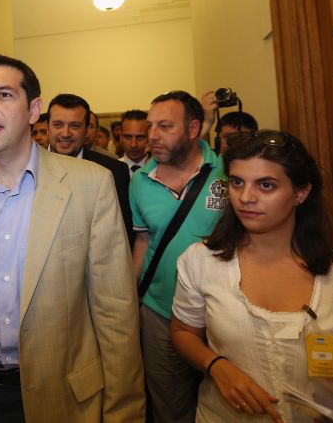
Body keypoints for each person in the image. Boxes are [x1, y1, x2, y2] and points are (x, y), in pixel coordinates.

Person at [0, 53, 145, 423]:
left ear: (35, 110)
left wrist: (124, 412)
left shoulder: (90, 185)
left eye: (3, 95)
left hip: (63, 396)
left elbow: (114, 314)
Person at [170, 130, 333, 422]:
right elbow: (184, 332)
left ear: (300, 193)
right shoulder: (201, 261)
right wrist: (216, 366)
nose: (245, 198)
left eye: (266, 185)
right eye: (237, 182)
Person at [130, 90, 228, 423]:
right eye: (150, 126)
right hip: (160, 311)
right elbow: (142, 243)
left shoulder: (227, 172)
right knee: (169, 404)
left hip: (221, 310)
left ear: (193, 129)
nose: (152, 135)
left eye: (165, 126)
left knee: (225, 399)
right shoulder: (140, 182)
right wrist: (131, 300)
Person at [46, 93, 133, 247]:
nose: (65, 133)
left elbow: (121, 236)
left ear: (87, 130)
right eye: (58, 125)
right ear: (48, 127)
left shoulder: (114, 171)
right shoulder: (27, 169)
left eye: (75, 126)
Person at [118, 109, 150, 177]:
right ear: (120, 137)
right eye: (128, 137)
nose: (133, 144)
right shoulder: (111, 170)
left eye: (140, 137)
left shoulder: (160, 169)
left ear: (150, 137)